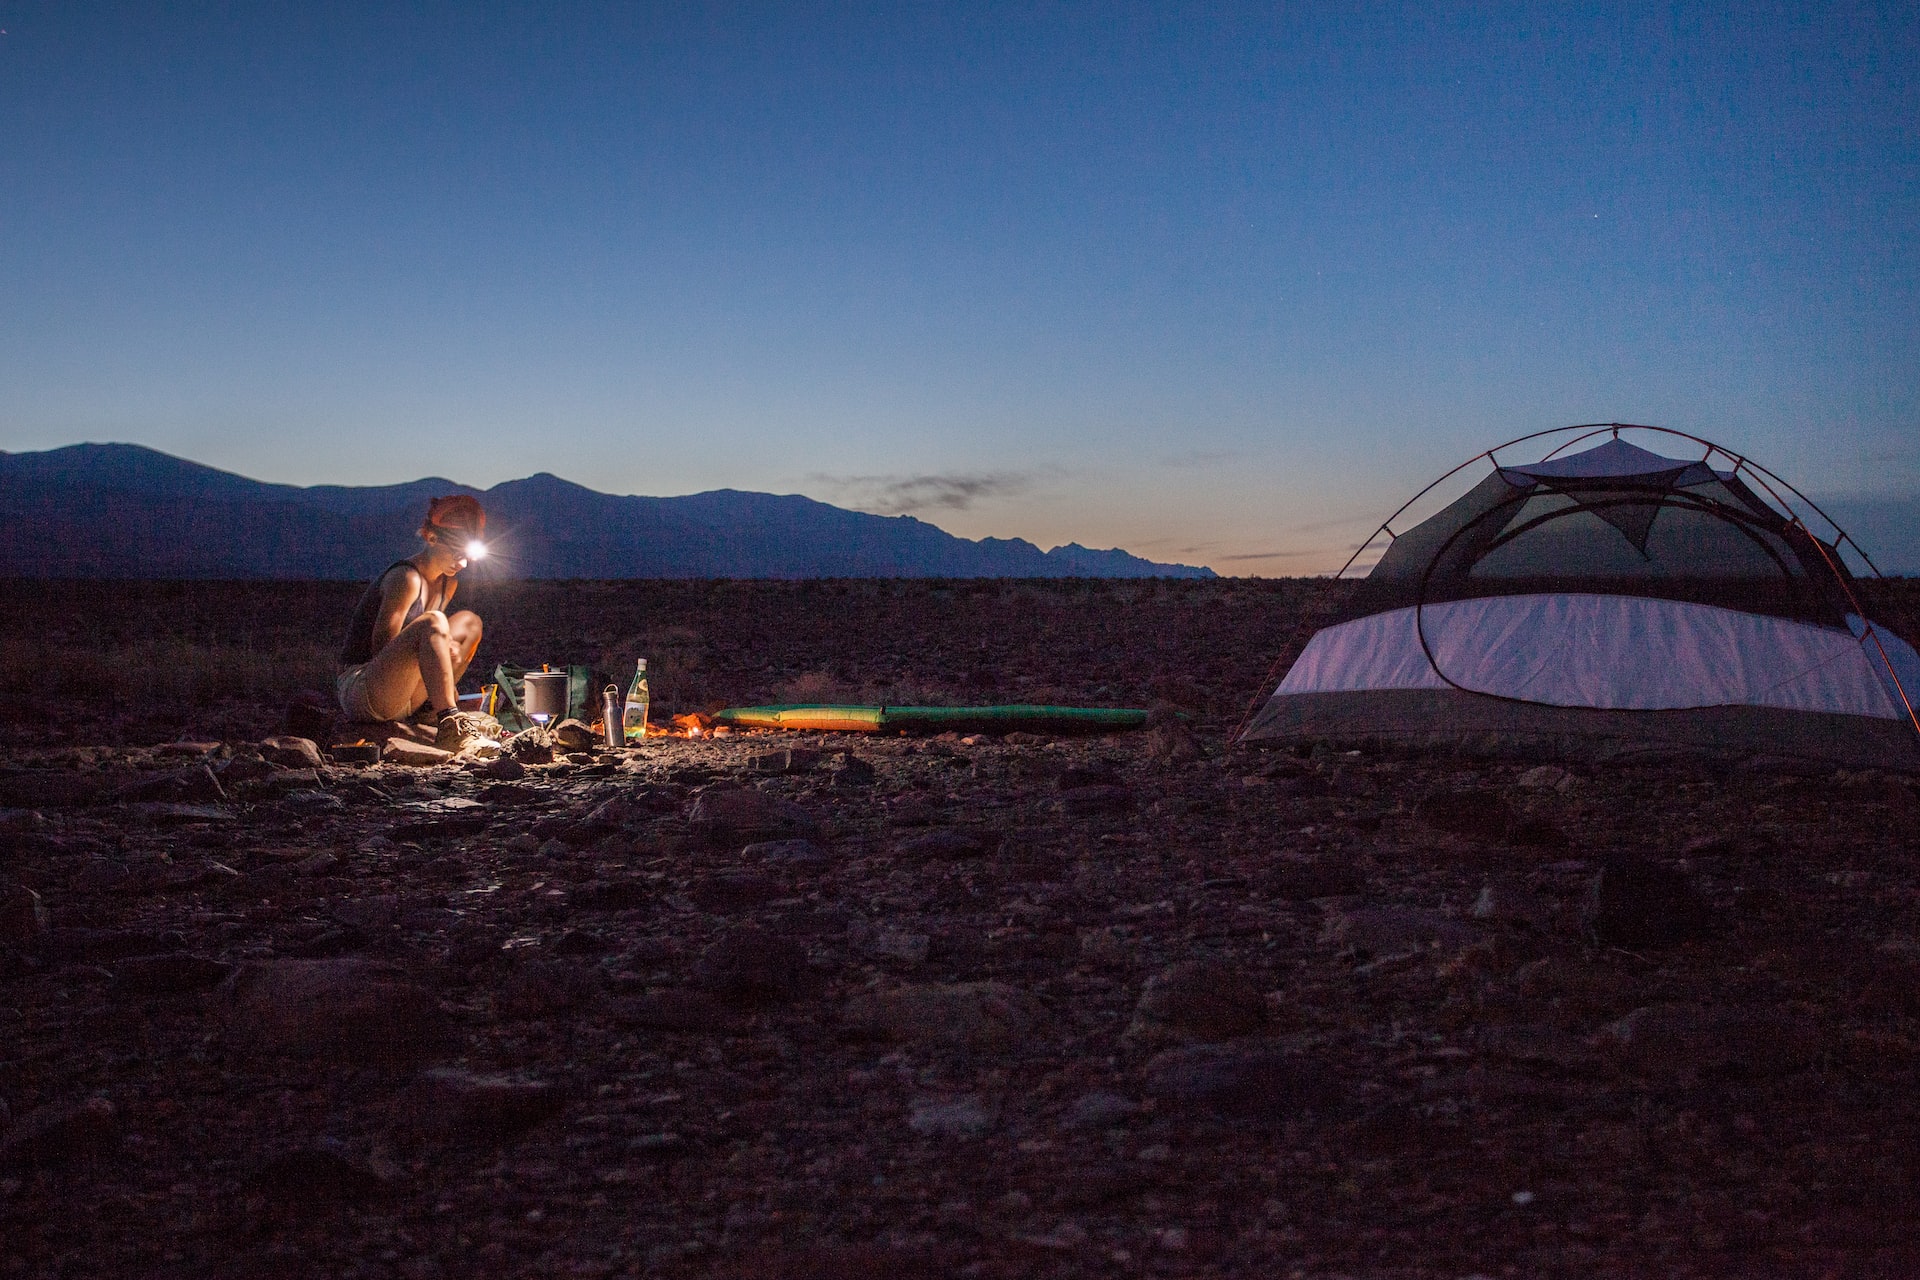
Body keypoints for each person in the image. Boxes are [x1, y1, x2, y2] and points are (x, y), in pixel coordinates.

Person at [337, 494, 500, 752]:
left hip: (404, 693)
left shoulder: (449, 582)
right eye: (457, 553)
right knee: (434, 622)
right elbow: (381, 648)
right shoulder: (406, 578)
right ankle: (450, 721)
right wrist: (432, 654)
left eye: (468, 555)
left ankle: (429, 712)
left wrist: (440, 659)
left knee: (469, 623)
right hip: (362, 687)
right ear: (432, 539)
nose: (463, 563)